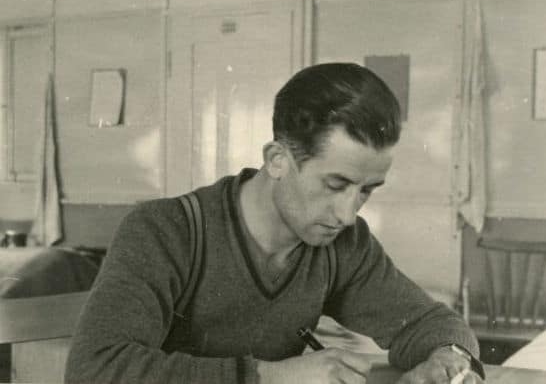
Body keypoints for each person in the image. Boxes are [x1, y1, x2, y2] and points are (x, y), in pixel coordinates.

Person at [65, 63, 484, 384]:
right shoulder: (165, 231)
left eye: (366, 190)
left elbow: (432, 324)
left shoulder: (344, 245)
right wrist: (270, 376)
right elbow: (96, 369)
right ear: (277, 159)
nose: (346, 213)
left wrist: (448, 360)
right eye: (335, 184)